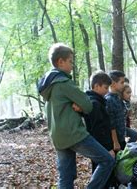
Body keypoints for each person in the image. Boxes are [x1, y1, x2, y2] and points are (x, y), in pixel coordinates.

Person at [37, 43, 114, 188]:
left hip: (58, 135)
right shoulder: (63, 82)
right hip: (73, 133)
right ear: (60, 62)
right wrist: (80, 105)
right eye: (70, 61)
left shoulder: (49, 85)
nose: (72, 65)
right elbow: (87, 104)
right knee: (107, 160)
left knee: (66, 176)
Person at [83, 70, 116, 187]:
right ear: (96, 86)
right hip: (99, 143)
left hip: (100, 142)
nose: (107, 91)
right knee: (101, 170)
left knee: (101, 170)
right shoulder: (95, 103)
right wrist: (108, 148)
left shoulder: (99, 101)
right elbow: (98, 129)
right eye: (106, 88)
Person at [106, 70, 127, 151]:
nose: (123, 85)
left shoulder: (118, 97)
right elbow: (111, 124)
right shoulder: (109, 100)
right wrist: (115, 142)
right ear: (113, 83)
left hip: (121, 137)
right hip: (115, 140)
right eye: (121, 82)